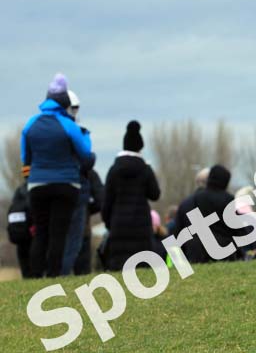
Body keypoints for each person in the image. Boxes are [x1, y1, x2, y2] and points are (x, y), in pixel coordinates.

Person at [21, 73, 94, 277]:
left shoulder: (30, 124)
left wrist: (30, 178)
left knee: (41, 231)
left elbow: (25, 156)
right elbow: (85, 154)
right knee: (58, 233)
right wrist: (86, 137)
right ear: (66, 104)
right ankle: (54, 276)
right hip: (66, 185)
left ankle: (35, 276)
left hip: (37, 185)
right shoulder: (69, 125)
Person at [101, 121, 161, 271]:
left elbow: (107, 200)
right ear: (140, 147)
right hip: (141, 225)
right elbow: (155, 194)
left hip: (119, 224)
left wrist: (109, 222)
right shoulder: (145, 169)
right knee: (142, 267)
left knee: (119, 267)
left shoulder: (114, 170)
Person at [60, 90, 104, 275]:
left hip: (59, 212)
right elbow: (101, 199)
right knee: (80, 262)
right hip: (80, 216)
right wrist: (88, 206)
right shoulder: (88, 172)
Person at [184, 164, 242, 263]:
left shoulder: (198, 197)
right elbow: (236, 226)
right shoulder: (228, 199)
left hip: (200, 247)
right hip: (224, 247)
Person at [7, 176, 34, 278]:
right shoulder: (35, 188)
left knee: (23, 254)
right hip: (31, 230)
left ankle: (27, 277)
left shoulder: (19, 190)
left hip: (18, 231)